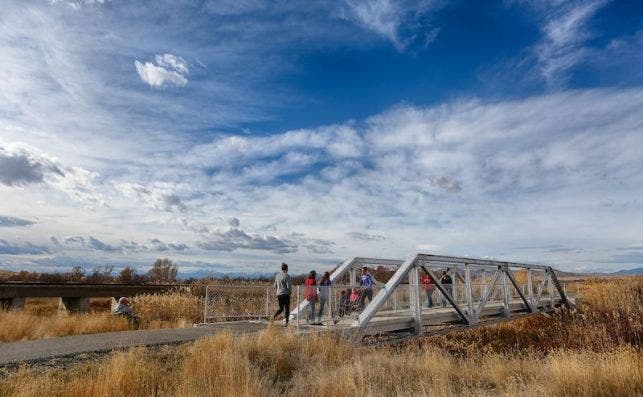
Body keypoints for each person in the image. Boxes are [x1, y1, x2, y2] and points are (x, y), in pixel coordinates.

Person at [273, 262, 292, 327]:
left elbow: (275, 286)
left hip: (279, 294)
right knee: (287, 309)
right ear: (286, 268)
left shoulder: (277, 275)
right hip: (286, 294)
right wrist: (290, 292)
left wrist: (278, 290)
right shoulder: (287, 275)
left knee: (281, 309)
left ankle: (274, 316)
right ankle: (286, 323)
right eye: (287, 268)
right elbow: (288, 286)